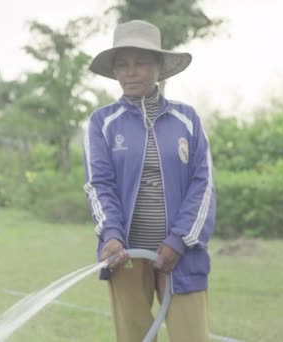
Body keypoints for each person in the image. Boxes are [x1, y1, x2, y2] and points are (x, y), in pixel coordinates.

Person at [83, 20, 216, 342]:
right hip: (125, 256)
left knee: (192, 337)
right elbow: (99, 185)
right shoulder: (103, 122)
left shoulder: (187, 120)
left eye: (141, 62)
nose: (130, 72)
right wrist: (112, 236)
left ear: (159, 68)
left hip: (181, 256)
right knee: (134, 337)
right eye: (122, 64)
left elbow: (204, 185)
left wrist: (178, 241)